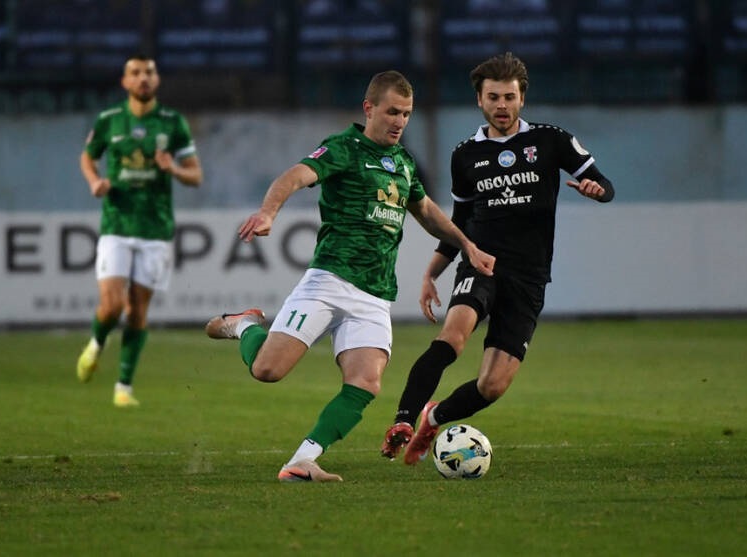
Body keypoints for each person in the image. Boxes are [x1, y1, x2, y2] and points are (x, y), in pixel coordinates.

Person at [204, 70, 495, 482]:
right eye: (392, 112)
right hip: (330, 280)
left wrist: (466, 245)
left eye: (407, 114)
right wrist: (268, 212)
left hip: (375, 295)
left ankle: (303, 459)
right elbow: (294, 176)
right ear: (369, 108)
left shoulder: (403, 162)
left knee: (366, 382)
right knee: (268, 370)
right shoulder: (344, 147)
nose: (400, 121)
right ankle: (245, 325)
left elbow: (427, 211)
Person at [380, 52, 615, 464]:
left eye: (509, 97)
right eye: (493, 97)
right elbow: (460, 222)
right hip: (481, 263)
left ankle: (433, 417)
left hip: (529, 277)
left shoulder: (551, 140)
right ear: (480, 100)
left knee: (492, 386)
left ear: (522, 98)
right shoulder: (465, 155)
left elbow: (602, 182)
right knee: (453, 338)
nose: (501, 106)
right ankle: (402, 420)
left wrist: (598, 191)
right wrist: (432, 273)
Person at [76, 54, 203, 407]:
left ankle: (123, 387)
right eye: (135, 72)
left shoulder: (173, 122)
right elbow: (87, 156)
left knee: (137, 311)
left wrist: (173, 169)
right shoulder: (109, 120)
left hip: (155, 228)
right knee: (112, 305)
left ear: (157, 80)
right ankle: (96, 344)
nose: (143, 77)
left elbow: (196, 175)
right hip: (117, 222)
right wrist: (94, 181)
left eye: (149, 72)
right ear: (125, 81)